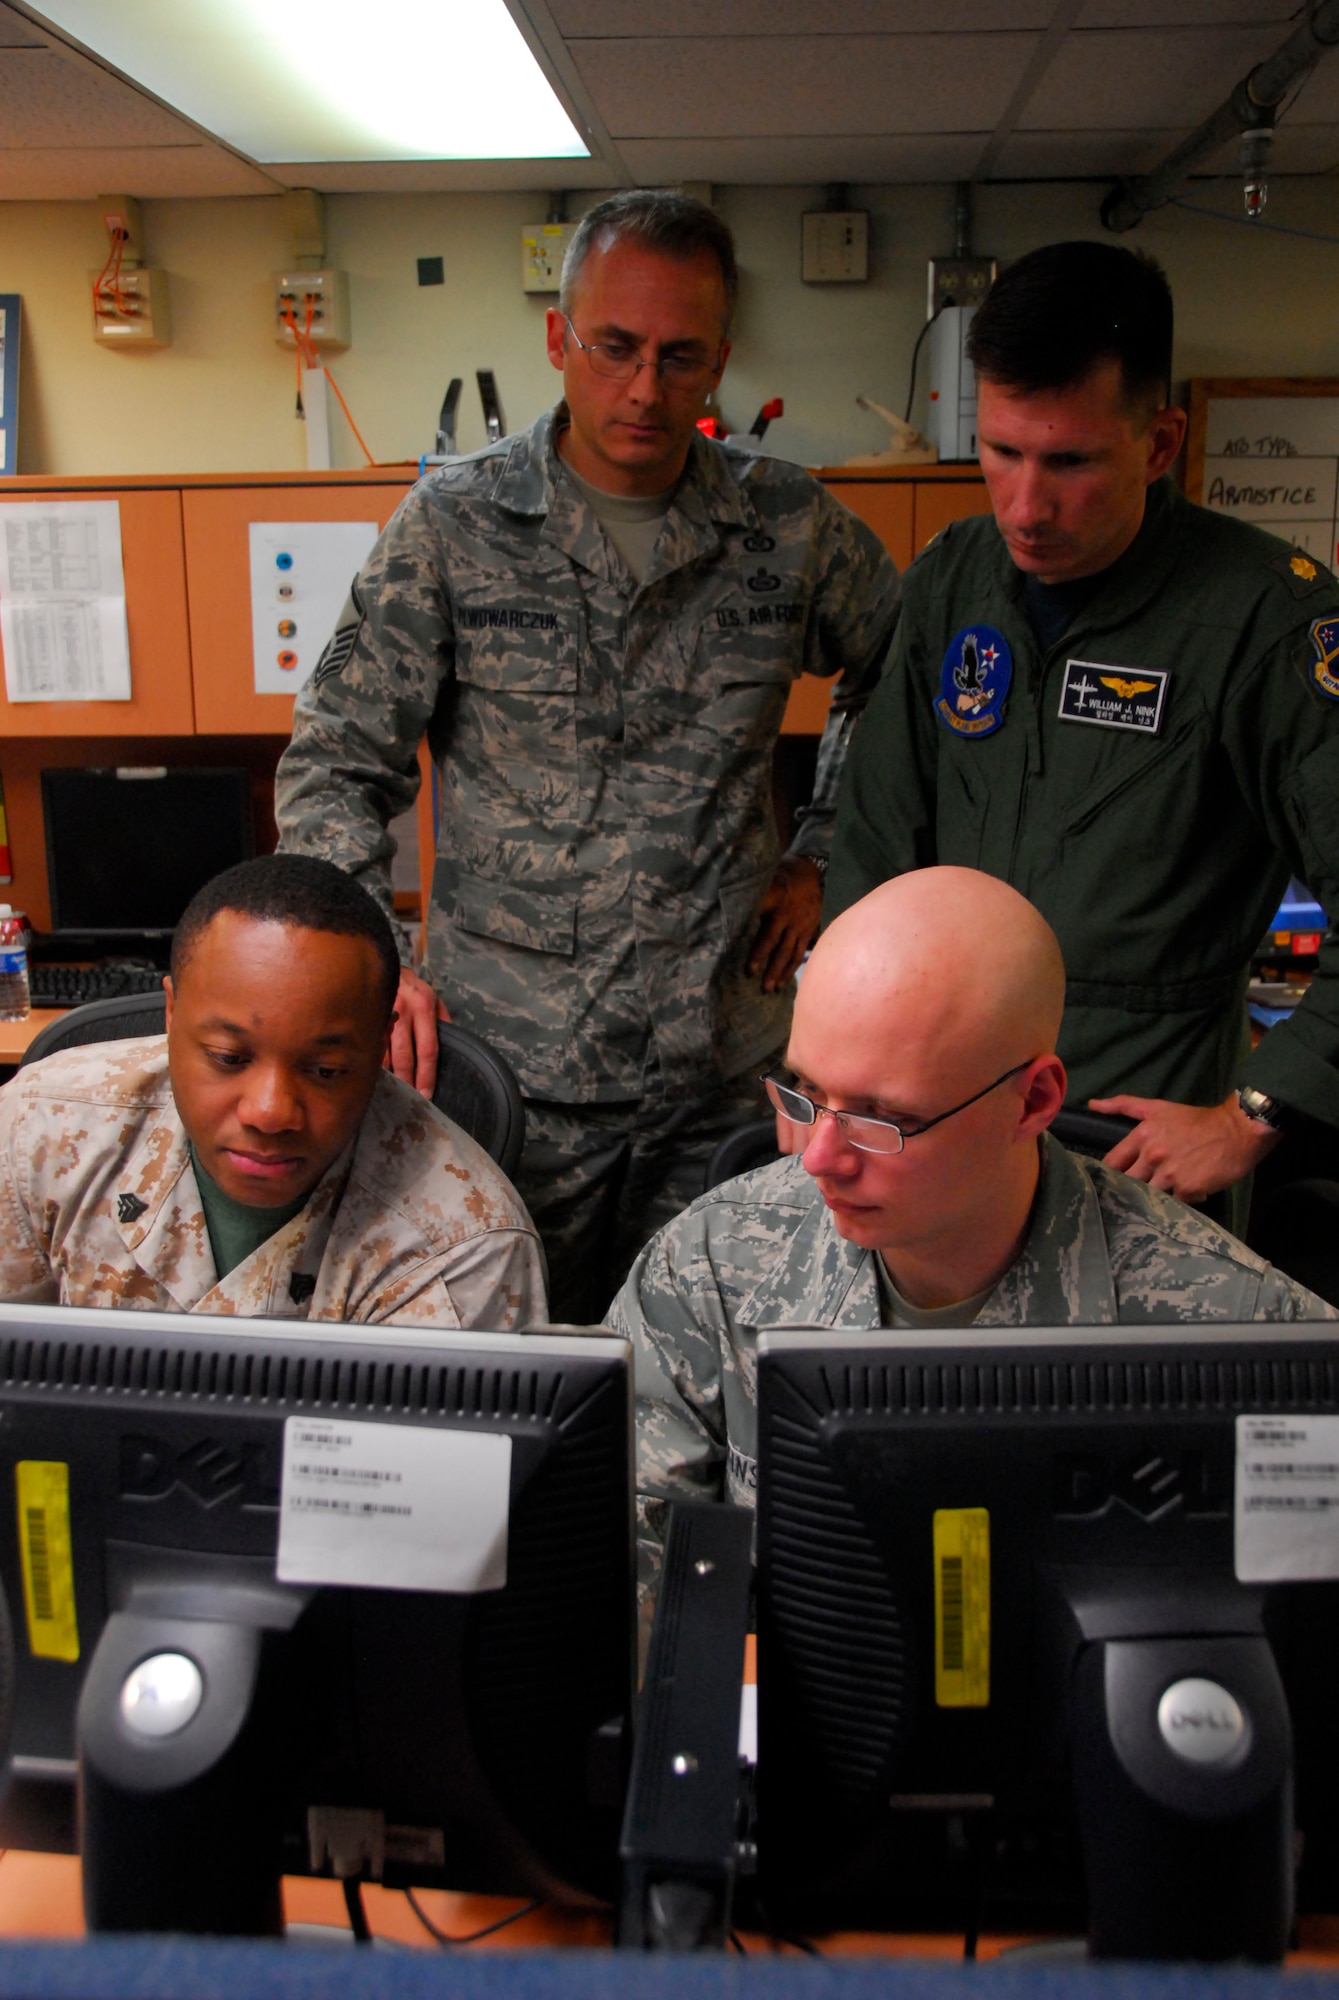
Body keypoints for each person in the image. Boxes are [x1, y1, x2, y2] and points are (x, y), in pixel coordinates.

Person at [273, 189, 900, 1321]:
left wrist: (828, 850)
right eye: (613, 348)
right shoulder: (455, 526)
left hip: (719, 1072)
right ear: (559, 338)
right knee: (502, 1383)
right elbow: (335, 759)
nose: (645, 389)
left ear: (721, 357)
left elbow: (896, 677)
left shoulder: (790, 529)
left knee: (719, 1383)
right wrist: (376, 965)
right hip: (512, 1080)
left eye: (680, 355)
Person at [611, 868, 1334, 1607]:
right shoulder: (709, 1266)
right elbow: (618, 1577)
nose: (817, 1159)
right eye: (806, 1093)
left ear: (1034, 1100)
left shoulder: (1235, 1332)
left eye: (879, 1118)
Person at [825, 239, 1339, 1225]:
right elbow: (875, 856)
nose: (1024, 505)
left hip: (1141, 1137)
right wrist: (844, 1085)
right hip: (940, 1124)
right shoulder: (953, 578)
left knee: (1107, 1382)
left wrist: (1254, 1113)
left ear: (1158, 443)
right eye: (1001, 451)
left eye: (1068, 462)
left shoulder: (1265, 621)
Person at [0, 855, 545, 1325]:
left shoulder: (466, 1245)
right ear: (170, 1015)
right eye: (228, 1058)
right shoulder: (37, 1127)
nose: (270, 1112)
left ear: (381, 1047)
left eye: (325, 1070)